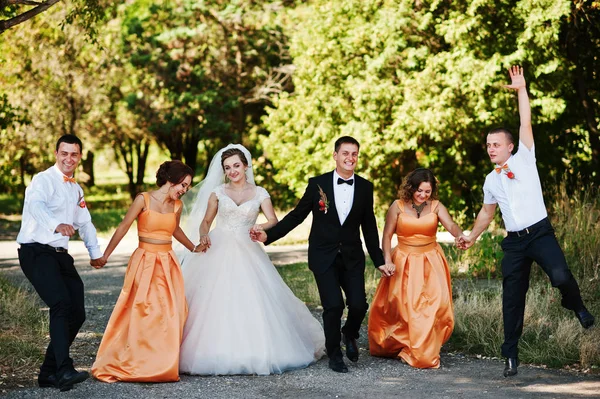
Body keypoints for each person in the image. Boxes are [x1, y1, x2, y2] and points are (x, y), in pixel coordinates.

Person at [457, 66, 595, 377]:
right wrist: (472, 236)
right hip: (515, 242)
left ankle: (577, 307)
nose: (491, 148)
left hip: (541, 234)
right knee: (511, 299)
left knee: (561, 276)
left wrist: (521, 90)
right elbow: (487, 213)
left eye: (496, 144)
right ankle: (510, 356)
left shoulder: (524, 157)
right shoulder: (490, 181)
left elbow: (525, 121)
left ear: (509, 146)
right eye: (488, 145)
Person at [178, 144, 324, 376]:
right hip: (219, 245)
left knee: (253, 296)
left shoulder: (259, 193)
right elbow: (206, 221)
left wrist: (259, 226)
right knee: (212, 299)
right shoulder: (218, 192)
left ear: (246, 166)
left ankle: (256, 350)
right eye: (228, 168)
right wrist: (204, 234)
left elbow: (273, 220)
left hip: (247, 246)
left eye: (236, 165)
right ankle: (211, 351)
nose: (233, 171)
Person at [251, 136, 386, 373]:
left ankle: (349, 333)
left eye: (354, 154)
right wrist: (269, 236)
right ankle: (334, 355)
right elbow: (296, 216)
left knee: (358, 305)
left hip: (352, 257)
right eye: (345, 153)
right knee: (333, 305)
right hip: (323, 256)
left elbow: (369, 226)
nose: (350, 158)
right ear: (335, 156)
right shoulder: (318, 185)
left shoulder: (366, 187)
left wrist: (380, 260)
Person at [16, 134, 106, 392]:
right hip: (35, 251)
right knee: (61, 304)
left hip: (59, 254)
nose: (69, 158)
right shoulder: (42, 181)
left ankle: (48, 373)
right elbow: (36, 206)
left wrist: (94, 252)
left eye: (74, 154)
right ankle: (64, 369)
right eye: (64, 153)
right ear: (56, 154)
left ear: (79, 157)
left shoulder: (75, 188)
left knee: (77, 312)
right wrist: (56, 224)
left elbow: (85, 222)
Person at [91, 160, 196, 383]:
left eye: (187, 187)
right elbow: (123, 226)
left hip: (168, 263)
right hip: (145, 261)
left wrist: (194, 248)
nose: (184, 190)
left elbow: (175, 230)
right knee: (142, 310)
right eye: (183, 185)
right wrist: (105, 256)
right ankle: (135, 360)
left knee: (171, 312)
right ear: (171, 180)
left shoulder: (177, 206)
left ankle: (160, 363)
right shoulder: (144, 199)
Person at [368, 168, 461, 368]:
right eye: (419, 190)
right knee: (404, 307)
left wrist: (459, 235)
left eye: (427, 192)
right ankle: (405, 343)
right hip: (404, 261)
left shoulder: (436, 206)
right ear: (411, 188)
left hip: (431, 260)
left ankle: (423, 347)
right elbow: (386, 236)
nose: (422, 195)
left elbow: (452, 225)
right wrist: (387, 260)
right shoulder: (397, 206)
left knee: (436, 304)